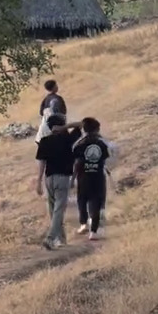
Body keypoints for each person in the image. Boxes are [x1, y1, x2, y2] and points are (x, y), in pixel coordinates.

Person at [35, 113, 81, 249]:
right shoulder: (68, 138)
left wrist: (38, 181)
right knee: (59, 210)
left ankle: (61, 240)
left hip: (48, 178)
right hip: (63, 177)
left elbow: (42, 162)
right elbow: (82, 124)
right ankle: (51, 238)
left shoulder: (44, 141)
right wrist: (65, 127)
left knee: (53, 210)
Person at [73, 117, 110, 241]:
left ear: (84, 129)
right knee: (96, 203)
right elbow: (105, 159)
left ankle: (83, 223)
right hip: (98, 177)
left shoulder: (79, 144)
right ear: (96, 129)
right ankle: (93, 231)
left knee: (82, 200)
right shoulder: (101, 143)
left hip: (83, 177)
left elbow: (76, 162)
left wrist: (73, 178)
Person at [34, 79, 67, 144]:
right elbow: (56, 114)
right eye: (56, 85)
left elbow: (41, 113)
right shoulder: (56, 99)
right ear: (54, 87)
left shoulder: (45, 99)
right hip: (52, 134)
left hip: (41, 135)